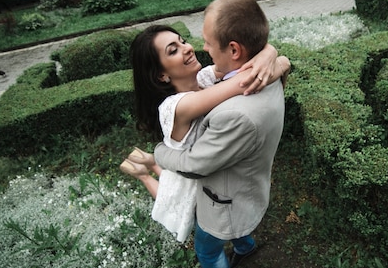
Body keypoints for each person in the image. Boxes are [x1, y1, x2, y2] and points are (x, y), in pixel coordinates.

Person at [152, 0, 286, 268]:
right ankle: (245, 247)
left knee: (208, 250)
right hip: (248, 182)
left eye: (208, 42)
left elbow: (195, 165)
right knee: (239, 228)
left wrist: (159, 152)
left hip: (224, 198)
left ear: (234, 49)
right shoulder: (266, 74)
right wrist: (271, 53)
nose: (200, 48)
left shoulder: (235, 114)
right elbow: (278, 63)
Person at [120, 22, 289, 243]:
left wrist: (271, 53)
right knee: (197, 235)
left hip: (208, 170)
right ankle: (143, 172)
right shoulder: (176, 106)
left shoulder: (203, 78)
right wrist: (274, 58)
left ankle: (150, 163)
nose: (188, 48)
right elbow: (243, 80)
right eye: (173, 50)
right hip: (188, 176)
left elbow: (247, 65)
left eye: (182, 41)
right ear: (161, 75)